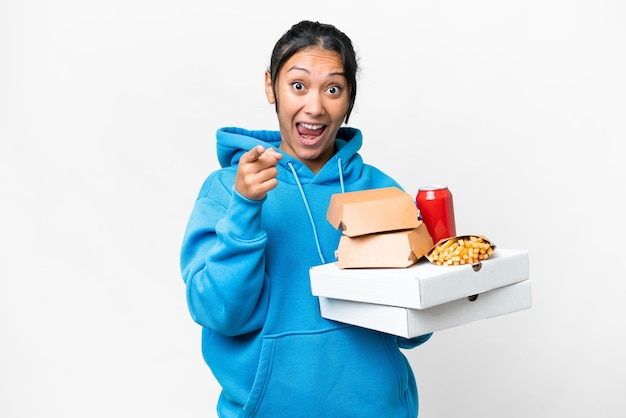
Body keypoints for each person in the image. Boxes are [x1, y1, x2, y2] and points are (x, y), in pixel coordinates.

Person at [180, 20, 432, 417]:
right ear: (270, 87)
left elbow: (414, 331)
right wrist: (246, 209)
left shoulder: (381, 190)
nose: (314, 107)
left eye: (333, 89)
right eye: (298, 86)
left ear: (349, 98)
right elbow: (219, 314)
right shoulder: (228, 190)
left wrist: (435, 276)